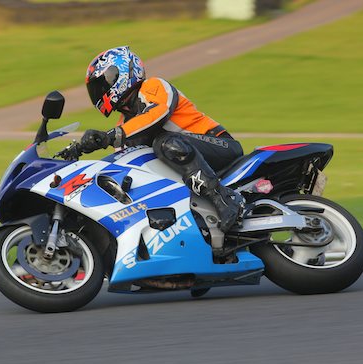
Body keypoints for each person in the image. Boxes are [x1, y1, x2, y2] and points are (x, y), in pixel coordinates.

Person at [81, 46, 244, 232]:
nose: (99, 92)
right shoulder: (124, 123)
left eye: (102, 84)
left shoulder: (153, 87)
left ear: (123, 73)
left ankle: (223, 199)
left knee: (165, 143)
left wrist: (110, 136)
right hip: (192, 161)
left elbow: (155, 115)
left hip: (219, 144)